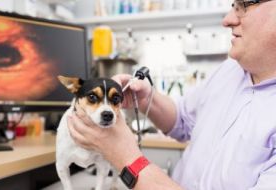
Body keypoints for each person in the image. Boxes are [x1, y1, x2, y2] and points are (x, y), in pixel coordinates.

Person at [67, 0, 276, 189]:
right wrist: (149, 100)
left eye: (244, 6)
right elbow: (183, 119)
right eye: (233, 6)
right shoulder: (231, 69)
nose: (228, 19)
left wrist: (126, 156)